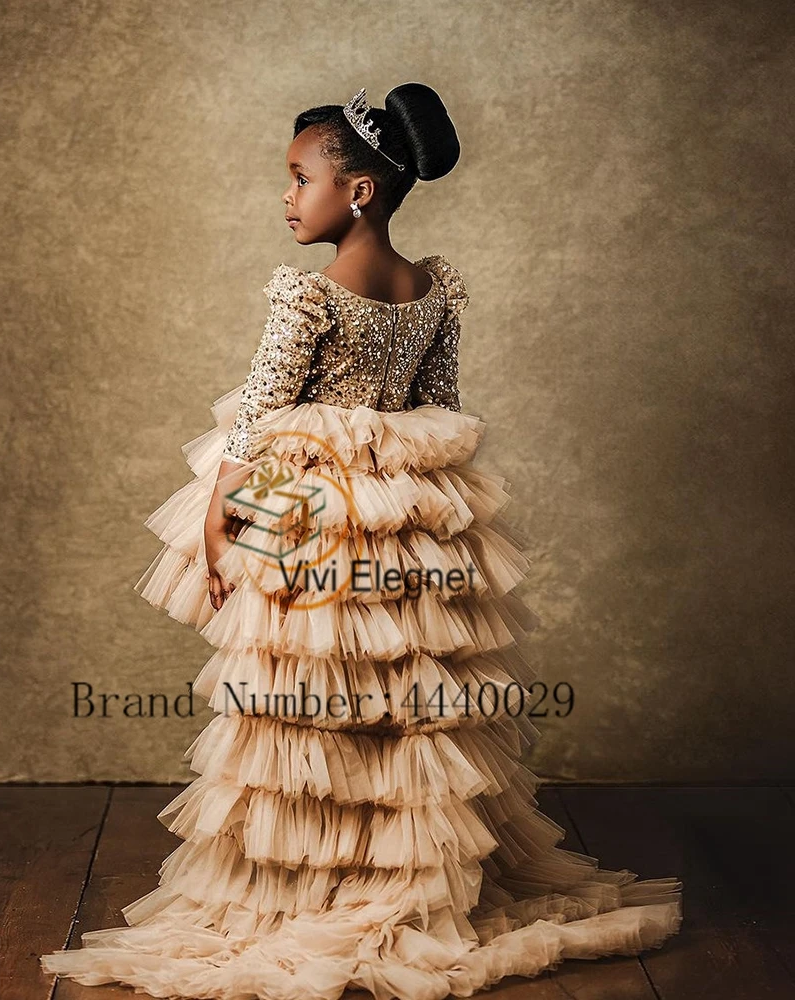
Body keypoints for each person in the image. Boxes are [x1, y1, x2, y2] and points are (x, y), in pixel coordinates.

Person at [40, 82, 683, 999]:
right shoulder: (432, 291)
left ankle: (313, 876)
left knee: (308, 690)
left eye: (301, 179)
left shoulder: (308, 298)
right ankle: (400, 868)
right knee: (406, 692)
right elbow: (443, 410)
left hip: (308, 507)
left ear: (360, 193)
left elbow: (259, 420)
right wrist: (418, 503)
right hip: (408, 513)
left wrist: (224, 519)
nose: (287, 197)